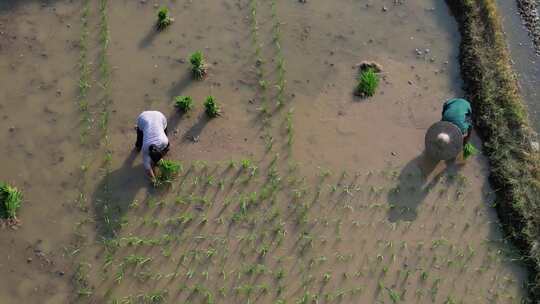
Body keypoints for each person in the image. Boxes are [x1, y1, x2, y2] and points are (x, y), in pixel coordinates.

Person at [135, 111, 169, 180]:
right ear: (149, 154)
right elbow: (148, 170)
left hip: (160, 117)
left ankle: (141, 129)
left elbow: (166, 149)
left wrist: (164, 167)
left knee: (166, 143)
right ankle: (138, 128)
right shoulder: (144, 150)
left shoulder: (165, 141)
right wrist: (155, 180)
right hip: (143, 119)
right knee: (139, 145)